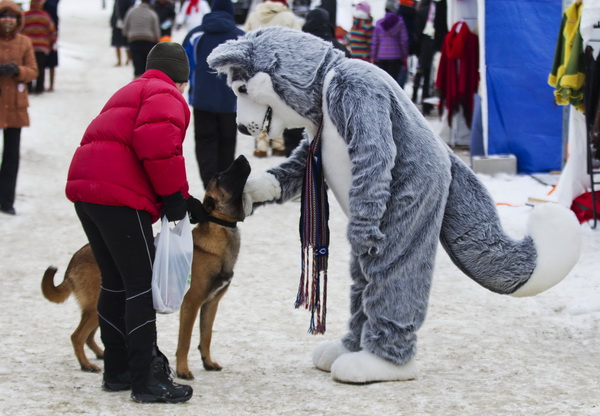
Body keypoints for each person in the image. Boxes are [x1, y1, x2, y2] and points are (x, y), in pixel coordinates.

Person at [65, 42, 204, 403]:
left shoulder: (132, 89)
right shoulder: (167, 94)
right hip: (118, 198)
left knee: (115, 283)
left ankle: (118, 370)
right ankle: (146, 381)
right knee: (140, 286)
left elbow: (133, 144)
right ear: (181, 78)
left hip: (87, 192)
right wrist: (175, 199)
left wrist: (182, 197)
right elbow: (158, 146)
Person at [183, 0, 244, 188]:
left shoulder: (196, 35)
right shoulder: (241, 37)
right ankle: (223, 188)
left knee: (204, 142)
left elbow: (185, 64)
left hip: (202, 100)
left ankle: (209, 184)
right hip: (230, 103)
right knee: (227, 143)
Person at [243, 0, 301, 157]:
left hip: (257, 69)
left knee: (260, 105)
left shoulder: (254, 16)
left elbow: (244, 42)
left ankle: (261, 145)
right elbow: (299, 44)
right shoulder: (288, 17)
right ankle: (278, 144)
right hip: (282, 69)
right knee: (279, 107)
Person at [0, 0, 38, 215]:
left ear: (17, 20)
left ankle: (7, 200)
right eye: (3, 15)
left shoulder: (24, 42)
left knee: (11, 155)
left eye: (11, 16)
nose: (7, 20)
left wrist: (17, 71)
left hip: (15, 105)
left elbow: (33, 70)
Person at [21, 0, 56, 95]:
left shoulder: (25, 16)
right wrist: (52, 43)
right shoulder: (45, 16)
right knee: (40, 67)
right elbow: (52, 31)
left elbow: (19, 30)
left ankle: (29, 88)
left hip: (27, 47)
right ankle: (39, 88)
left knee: (29, 66)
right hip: (42, 46)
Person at [122, 0, 160, 79]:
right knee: (147, 66)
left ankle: (137, 81)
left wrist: (128, 35)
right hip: (148, 41)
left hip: (134, 40)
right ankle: (148, 83)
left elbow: (125, 28)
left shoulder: (131, 11)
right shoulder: (152, 13)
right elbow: (156, 31)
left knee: (137, 65)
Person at [371, 11, 409, 84]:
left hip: (381, 56)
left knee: (383, 82)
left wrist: (373, 57)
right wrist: (404, 56)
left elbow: (375, 42)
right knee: (393, 82)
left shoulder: (379, 23)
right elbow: (404, 41)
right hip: (396, 56)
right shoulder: (400, 22)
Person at [110, 0, 134, 67]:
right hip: (117, 23)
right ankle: (120, 61)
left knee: (127, 43)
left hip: (125, 23)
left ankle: (128, 60)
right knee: (118, 44)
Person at [42, 0, 58, 91]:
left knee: (49, 61)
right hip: (48, 31)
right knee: (43, 63)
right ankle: (45, 85)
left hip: (50, 32)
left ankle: (50, 85)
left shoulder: (51, 3)